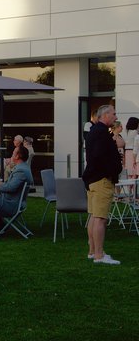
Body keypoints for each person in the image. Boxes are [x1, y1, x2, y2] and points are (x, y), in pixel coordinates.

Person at [82, 105, 122, 265]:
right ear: (105, 115)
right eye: (113, 114)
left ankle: (93, 251)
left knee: (93, 216)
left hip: (93, 179)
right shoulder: (101, 133)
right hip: (101, 180)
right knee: (100, 218)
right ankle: (99, 255)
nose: (115, 116)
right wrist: (111, 171)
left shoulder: (95, 131)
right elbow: (99, 157)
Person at [0, 145, 33, 237]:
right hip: (11, 201)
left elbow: (11, 188)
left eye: (13, 153)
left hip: (10, 204)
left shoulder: (21, 171)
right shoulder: (23, 168)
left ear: (18, 156)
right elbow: (11, 186)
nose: (12, 155)